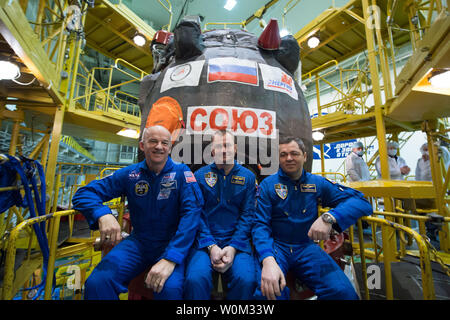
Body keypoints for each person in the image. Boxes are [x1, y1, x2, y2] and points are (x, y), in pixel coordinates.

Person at [72, 125, 203, 300]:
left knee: (169, 290)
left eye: (164, 143)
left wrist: (171, 258)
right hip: (139, 243)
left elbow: (191, 216)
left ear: (170, 147)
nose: (159, 146)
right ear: (142, 146)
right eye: (153, 141)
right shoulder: (130, 174)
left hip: (172, 244)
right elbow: (83, 194)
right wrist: (103, 214)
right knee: (97, 282)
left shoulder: (182, 174)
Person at [252, 136, 373, 300]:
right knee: (268, 293)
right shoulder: (268, 185)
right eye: (283, 154)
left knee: (343, 293)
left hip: (306, 248)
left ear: (305, 156)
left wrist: (329, 217)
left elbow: (361, 201)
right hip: (276, 248)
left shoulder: (317, 183)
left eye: (294, 153)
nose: (289, 158)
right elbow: (260, 225)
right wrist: (268, 260)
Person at [184, 130, 257, 299]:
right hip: (204, 242)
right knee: (195, 279)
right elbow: (197, 214)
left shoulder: (248, 177)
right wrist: (211, 246)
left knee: (246, 280)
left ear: (236, 148)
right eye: (218, 146)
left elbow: (248, 216)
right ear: (212, 151)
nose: (224, 150)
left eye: (227, 145)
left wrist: (233, 247)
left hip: (238, 243)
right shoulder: (200, 176)